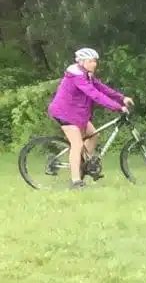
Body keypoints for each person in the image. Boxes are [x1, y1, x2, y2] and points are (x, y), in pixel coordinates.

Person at [47, 49, 132, 188]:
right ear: (82, 62)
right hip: (65, 113)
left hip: (78, 114)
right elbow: (95, 95)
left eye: (95, 61)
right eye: (91, 61)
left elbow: (101, 88)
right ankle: (75, 181)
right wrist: (117, 107)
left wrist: (121, 98)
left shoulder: (87, 75)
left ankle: (84, 165)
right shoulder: (77, 77)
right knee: (77, 144)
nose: (94, 64)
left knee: (94, 135)